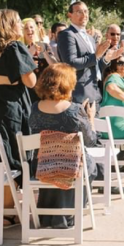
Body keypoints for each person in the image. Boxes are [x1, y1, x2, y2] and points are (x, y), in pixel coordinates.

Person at [28, 63, 99, 229]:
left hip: (42, 165)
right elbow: (90, 141)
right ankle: (69, 213)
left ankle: (50, 215)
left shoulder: (34, 108)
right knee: (90, 165)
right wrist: (91, 119)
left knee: (55, 161)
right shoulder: (74, 110)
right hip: (71, 167)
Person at [0, 10, 37, 223]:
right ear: (8, 25)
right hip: (10, 111)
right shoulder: (14, 48)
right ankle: (7, 212)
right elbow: (31, 82)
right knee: (13, 158)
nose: (21, 25)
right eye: (18, 22)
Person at [57, 1, 119, 105]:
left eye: (86, 11)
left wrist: (106, 59)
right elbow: (70, 64)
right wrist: (96, 56)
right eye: (79, 12)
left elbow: (94, 66)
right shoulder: (67, 35)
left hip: (95, 93)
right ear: (70, 15)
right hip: (79, 94)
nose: (84, 15)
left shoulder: (90, 38)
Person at [22, 17, 58, 101]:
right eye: (26, 28)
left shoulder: (45, 45)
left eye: (31, 27)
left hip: (45, 88)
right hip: (27, 89)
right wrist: (30, 53)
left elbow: (54, 65)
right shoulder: (21, 48)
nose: (29, 30)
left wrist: (44, 52)